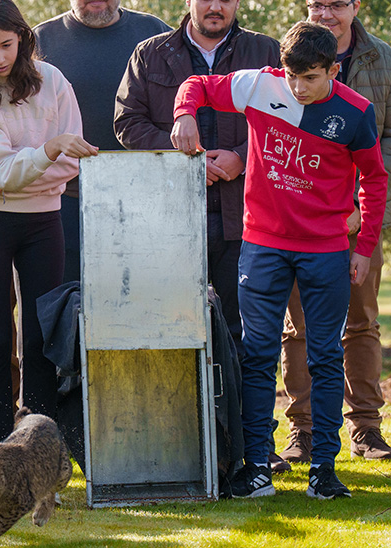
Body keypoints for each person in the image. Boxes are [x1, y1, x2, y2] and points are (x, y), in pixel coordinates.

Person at [172, 21, 387, 499]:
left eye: (310, 78)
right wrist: (186, 113)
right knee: (258, 355)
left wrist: (365, 247)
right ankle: (256, 469)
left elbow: (375, 180)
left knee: (326, 356)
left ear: (333, 70)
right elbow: (198, 85)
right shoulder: (259, 83)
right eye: (291, 77)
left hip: (327, 250)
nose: (297, 88)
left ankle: (324, 471)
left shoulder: (356, 113)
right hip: (263, 246)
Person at [114, 0, 288, 472]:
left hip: (246, 218)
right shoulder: (150, 54)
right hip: (170, 221)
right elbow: (127, 123)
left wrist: (239, 155)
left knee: (245, 336)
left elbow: (291, 123)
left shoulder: (264, 51)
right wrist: (184, 156)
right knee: (171, 332)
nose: (216, 6)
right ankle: (180, 447)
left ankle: (253, 448)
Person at [0, 0, 97, 458]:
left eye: (7, 45)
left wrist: (4, 180)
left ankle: (37, 456)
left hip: (43, 222)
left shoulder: (53, 81)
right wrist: (42, 154)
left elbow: (71, 163)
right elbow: (21, 163)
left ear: (24, 38)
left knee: (39, 340)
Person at [279, 0, 391, 464]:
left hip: (357, 219)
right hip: (298, 222)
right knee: (298, 328)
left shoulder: (383, 60)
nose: (325, 12)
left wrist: (360, 205)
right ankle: (301, 431)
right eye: (316, 4)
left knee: (361, 322)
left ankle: (366, 428)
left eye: (336, 3)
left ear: (356, 6)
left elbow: (385, 139)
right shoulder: (285, 57)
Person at [34, 0, 169, 283]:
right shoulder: (38, 42)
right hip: (61, 204)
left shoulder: (156, 35)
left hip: (144, 205)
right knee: (60, 307)